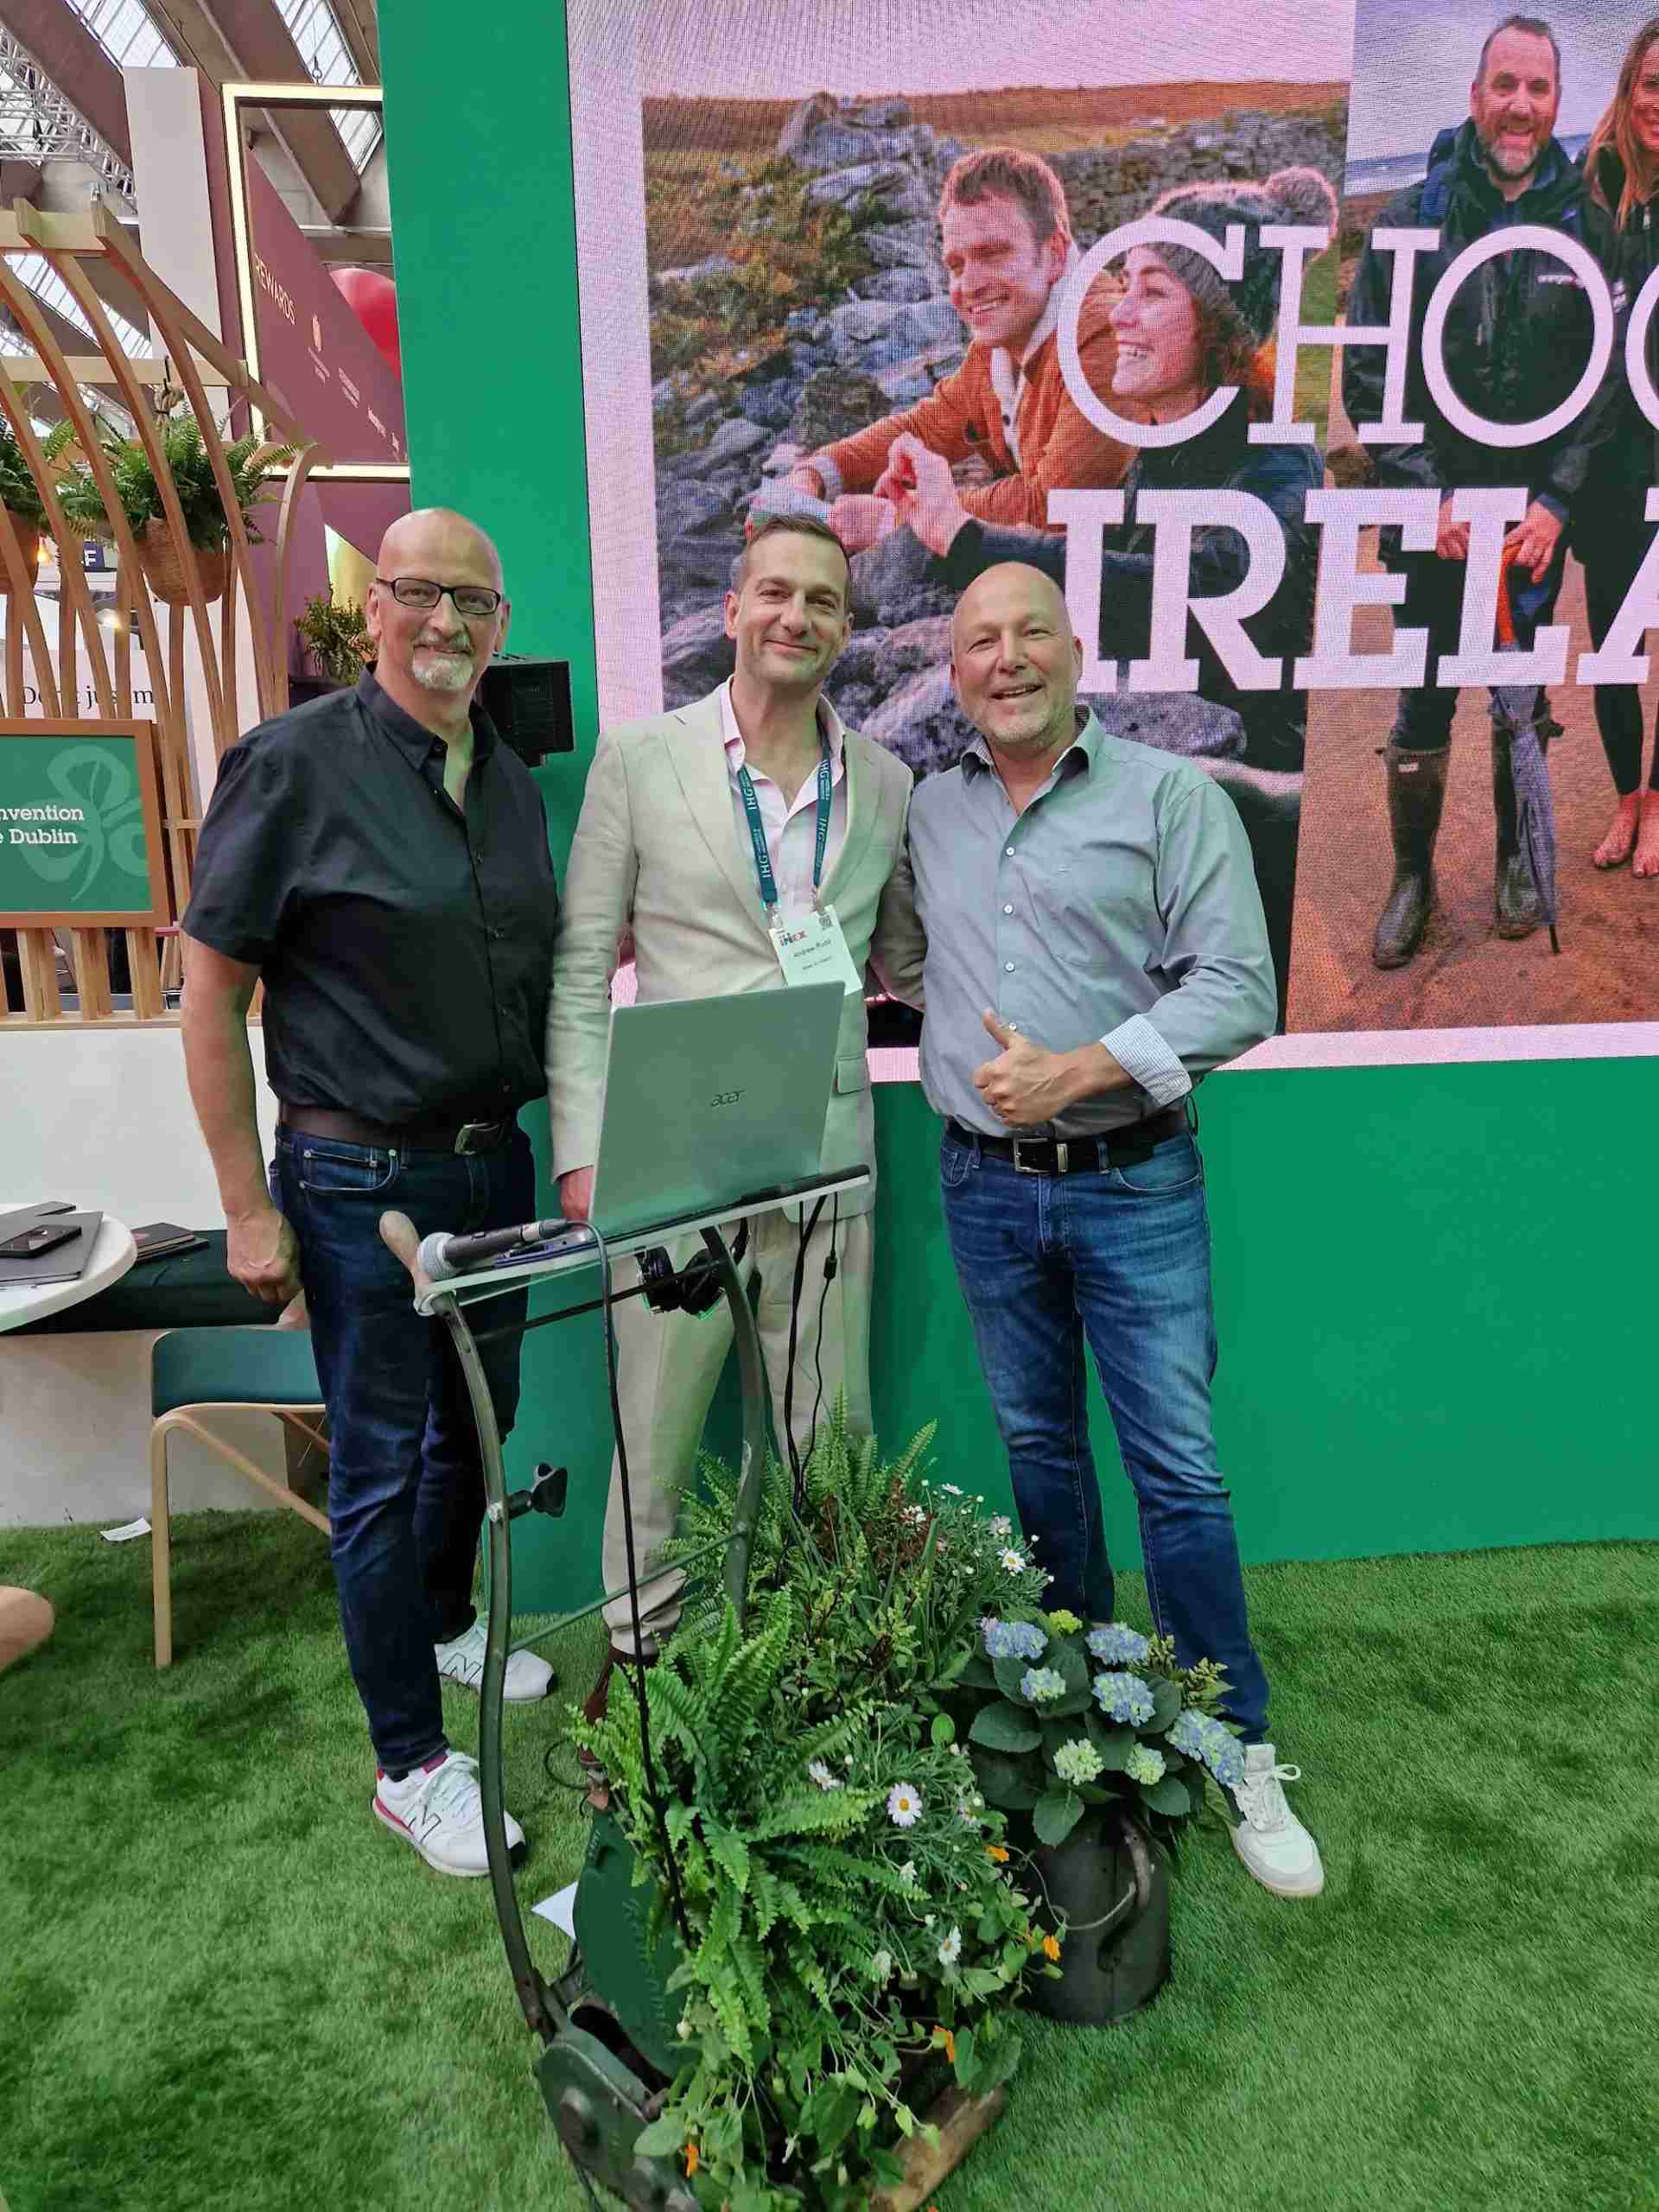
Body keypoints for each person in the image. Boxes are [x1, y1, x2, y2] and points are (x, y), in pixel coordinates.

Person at [875, 558, 1323, 1899]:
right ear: (953, 669)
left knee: (1176, 1469)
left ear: (1077, 653)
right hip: (984, 1184)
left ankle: (1236, 1740)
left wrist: (1079, 1067)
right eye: (979, 640)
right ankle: (1086, 1701)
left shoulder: (1171, 797)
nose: (1005, 659)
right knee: (1041, 1455)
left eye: (1031, 634)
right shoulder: (931, 809)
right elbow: (909, 961)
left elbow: (1240, 990)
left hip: (1135, 1181)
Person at [180, 508, 560, 1878]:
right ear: (374, 610)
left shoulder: (507, 780)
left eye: (475, 601)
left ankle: (445, 1625)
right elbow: (208, 996)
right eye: (421, 593)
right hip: (357, 1183)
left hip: (494, 1166)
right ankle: (410, 1766)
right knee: (382, 1470)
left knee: (477, 1429)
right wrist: (247, 1206)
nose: (448, 622)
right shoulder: (290, 766)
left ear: (500, 625)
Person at [548, 515, 916, 1726]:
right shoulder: (640, 760)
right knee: (653, 1428)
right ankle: (640, 1665)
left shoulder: (888, 784)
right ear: (732, 610)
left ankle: (820, 1650)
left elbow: (902, 955)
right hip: (676, 1153)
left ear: (847, 629)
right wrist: (584, 1152)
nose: (795, 616)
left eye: (822, 600)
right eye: (774, 592)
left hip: (826, 1158)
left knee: (828, 1426)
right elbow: (582, 967)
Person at [885, 167, 1333, 1025]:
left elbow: (1197, 591)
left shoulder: (1278, 465)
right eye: (1124, 286)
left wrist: (967, 538)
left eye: (1151, 292)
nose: (1118, 313)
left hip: (1262, 808)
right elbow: (1094, 582)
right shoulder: (1161, 452)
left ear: (1223, 325)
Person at [1344, 13, 1602, 969]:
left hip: (1529, 527)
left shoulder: (1586, 225)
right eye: (1505, 85)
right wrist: (1428, 498)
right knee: (1421, 704)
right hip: (1433, 522)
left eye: (1538, 88)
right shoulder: (1406, 221)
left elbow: (1603, 386)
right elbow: (1367, 380)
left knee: (1518, 698)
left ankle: (1514, 860)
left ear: (1556, 104)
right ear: (1475, 96)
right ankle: (1411, 876)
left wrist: (1558, 502)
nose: (1520, 106)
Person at [782, 147, 1130, 552]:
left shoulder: (1107, 334)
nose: (970, 286)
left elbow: (1056, 507)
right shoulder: (1006, 337)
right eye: (957, 265)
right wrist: (820, 473)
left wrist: (901, 518)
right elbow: (931, 425)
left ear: (1053, 253)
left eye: (993, 254)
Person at [1580, 18, 1659, 876]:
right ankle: (1625, 796)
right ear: (1630, 86)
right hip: (1608, 454)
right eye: (1654, 82)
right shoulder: (1594, 183)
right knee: (1612, 637)